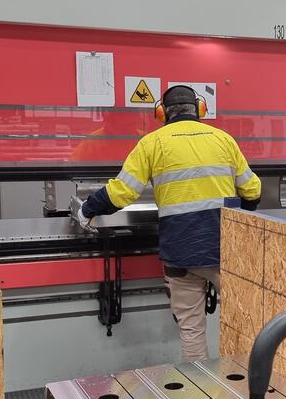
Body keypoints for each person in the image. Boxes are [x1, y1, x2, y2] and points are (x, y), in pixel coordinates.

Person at [78, 85, 262, 361]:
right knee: (245, 323)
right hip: (222, 250)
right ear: (200, 109)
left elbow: (122, 192)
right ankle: (247, 379)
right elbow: (253, 190)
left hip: (179, 253)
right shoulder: (224, 140)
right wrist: (240, 223)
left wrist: (86, 210)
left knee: (191, 330)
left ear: (162, 113)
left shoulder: (152, 143)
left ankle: (199, 383)